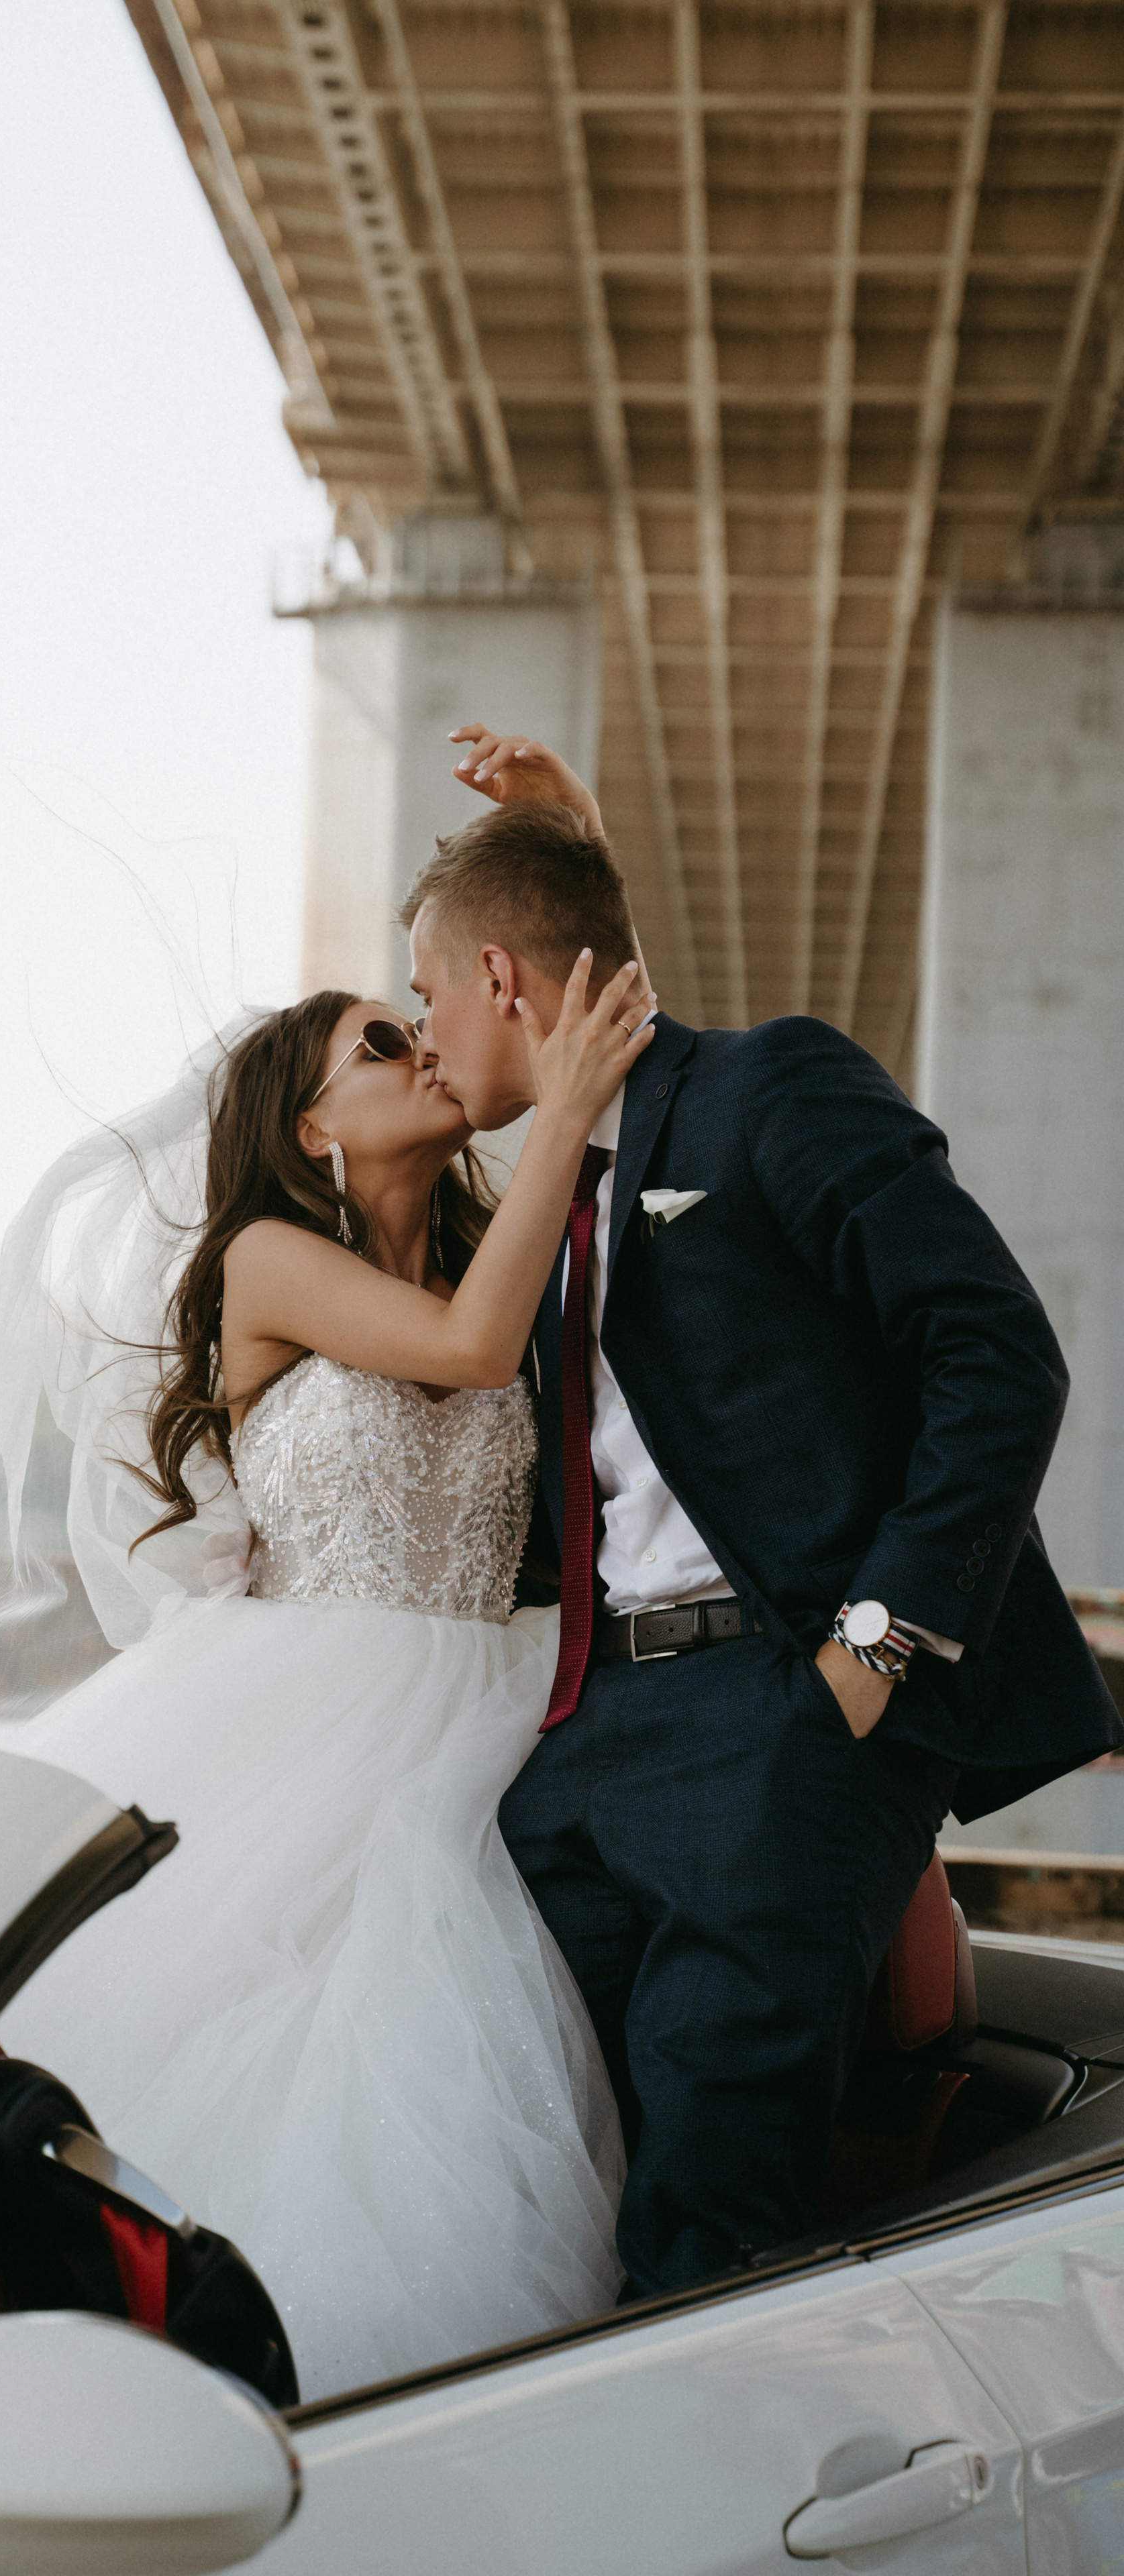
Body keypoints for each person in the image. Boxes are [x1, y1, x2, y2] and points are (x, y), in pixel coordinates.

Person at [0, 965, 653, 2400]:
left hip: (487, 1702)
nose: (418, 1052)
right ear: (307, 1129)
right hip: (311, 1712)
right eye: (377, 1044)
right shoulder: (267, 1261)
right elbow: (464, 1353)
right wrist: (563, 1115)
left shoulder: (502, 1259)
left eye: (417, 1031)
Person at [405, 722, 1124, 2301]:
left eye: (427, 988)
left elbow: (995, 1355)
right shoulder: (535, 1213)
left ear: (502, 979)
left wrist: (871, 1652)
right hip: (579, 1747)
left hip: (781, 1715)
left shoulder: (763, 1087)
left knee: (704, 2220)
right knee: (543, 2186)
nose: (421, 1027)